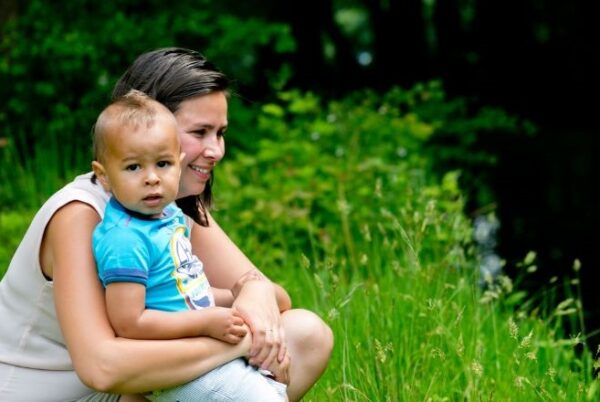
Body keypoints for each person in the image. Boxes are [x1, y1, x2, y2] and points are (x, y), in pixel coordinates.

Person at [0, 47, 333, 402]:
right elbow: (102, 368)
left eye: (220, 133)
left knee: (305, 334)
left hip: (133, 388)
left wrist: (253, 289)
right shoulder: (81, 214)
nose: (216, 150)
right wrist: (241, 341)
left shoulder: (167, 209)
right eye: (200, 132)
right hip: (61, 394)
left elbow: (278, 301)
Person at [91, 89, 286, 401]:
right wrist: (207, 322)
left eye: (163, 164)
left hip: (201, 353)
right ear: (103, 175)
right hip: (177, 369)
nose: (152, 178)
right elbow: (129, 323)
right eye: (133, 167)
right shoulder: (125, 237)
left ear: (178, 164)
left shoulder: (166, 216)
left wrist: (235, 296)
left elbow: (184, 289)